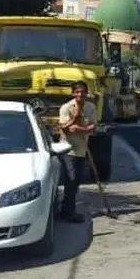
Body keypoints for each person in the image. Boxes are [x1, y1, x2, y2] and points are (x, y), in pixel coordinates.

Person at [56, 82, 94, 223]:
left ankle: (66, 209)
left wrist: (79, 129)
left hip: (82, 148)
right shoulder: (66, 108)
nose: (80, 94)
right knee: (70, 181)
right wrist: (75, 118)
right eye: (77, 92)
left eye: (83, 92)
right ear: (73, 93)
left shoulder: (91, 107)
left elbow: (93, 126)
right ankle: (69, 212)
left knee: (76, 181)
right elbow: (64, 128)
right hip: (68, 149)